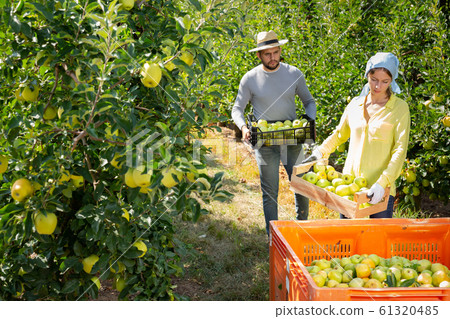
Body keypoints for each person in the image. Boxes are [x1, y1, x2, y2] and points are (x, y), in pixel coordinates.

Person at [304, 52, 410, 218]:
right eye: (374, 79)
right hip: (349, 186)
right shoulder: (355, 104)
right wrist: (320, 152)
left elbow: (400, 149)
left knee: (376, 240)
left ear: (392, 81)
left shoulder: (399, 109)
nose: (378, 86)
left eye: (385, 82)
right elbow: (339, 134)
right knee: (348, 239)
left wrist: (382, 183)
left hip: (380, 190)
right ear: (368, 74)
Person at [232, 30, 316, 236]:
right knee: (270, 192)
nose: (273, 58)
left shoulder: (294, 74)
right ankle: (273, 237)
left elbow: (309, 101)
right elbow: (237, 109)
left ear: (280, 51)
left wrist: (308, 119)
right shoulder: (250, 78)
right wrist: (243, 127)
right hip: (265, 141)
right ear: (259, 55)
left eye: (276, 52)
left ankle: (301, 227)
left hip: (292, 138)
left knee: (301, 185)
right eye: (267, 54)